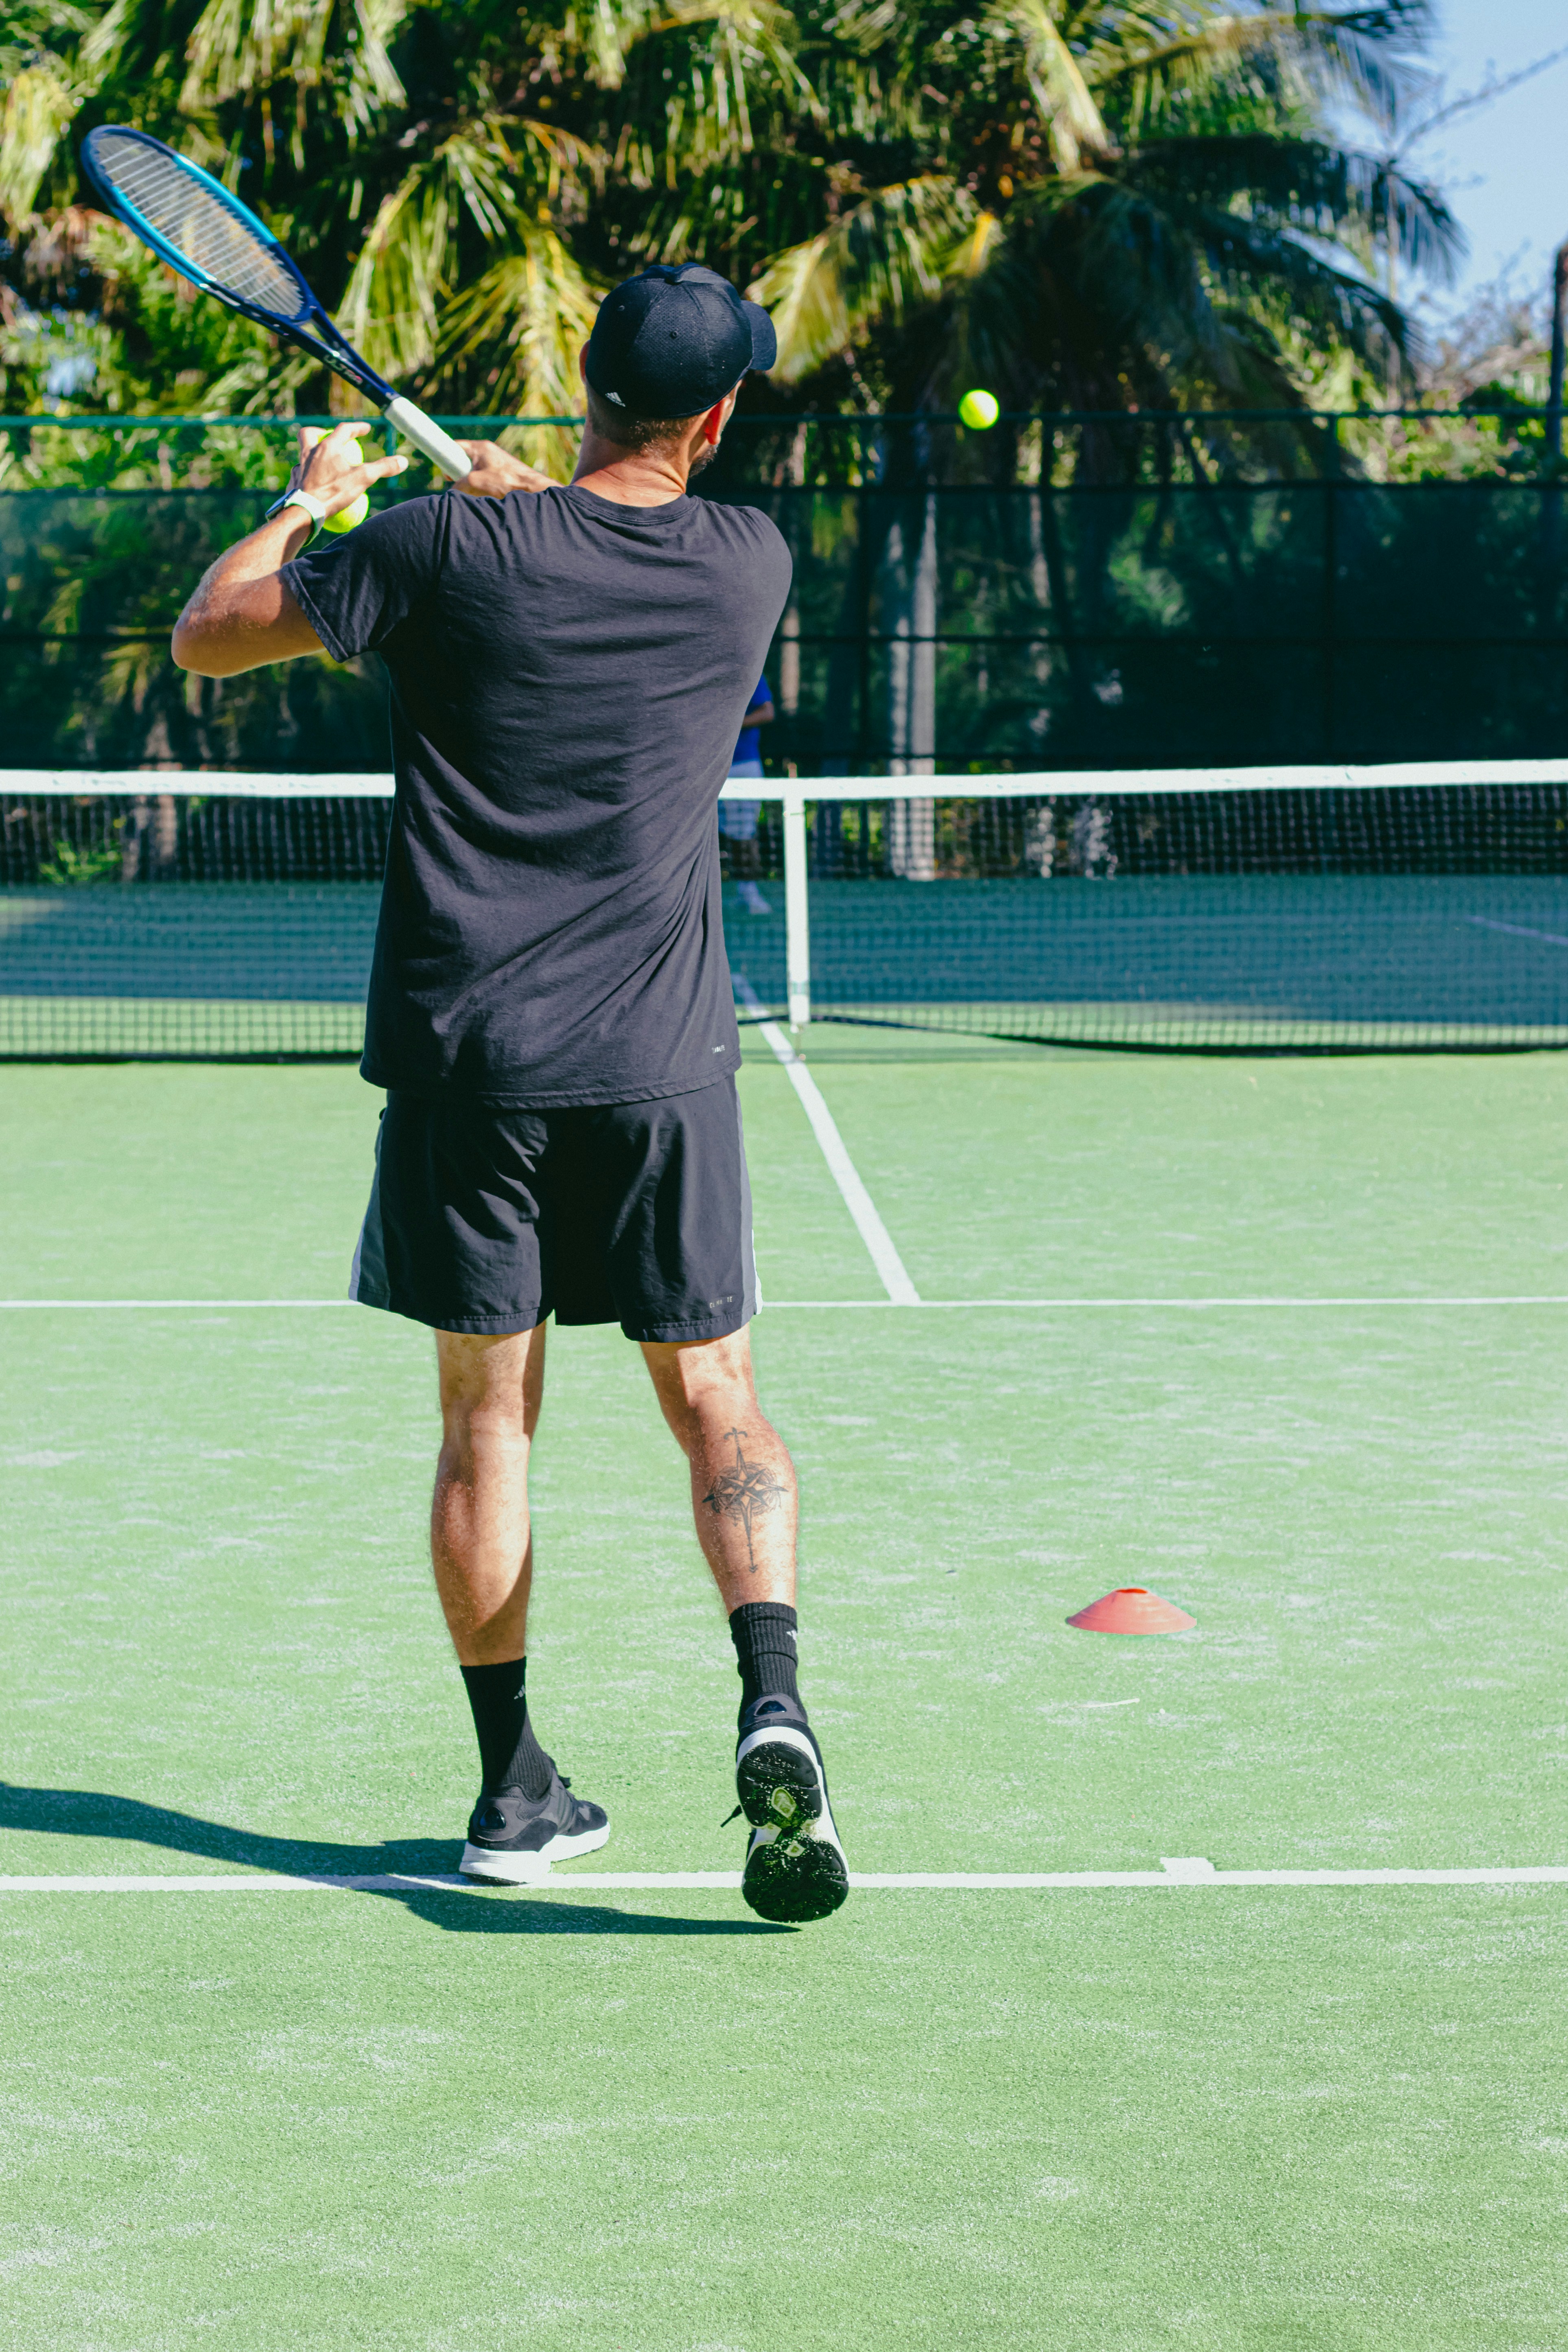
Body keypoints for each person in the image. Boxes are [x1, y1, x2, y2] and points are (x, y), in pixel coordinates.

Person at [169, 263, 849, 1926]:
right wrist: (521, 509)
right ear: (719, 413)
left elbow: (210, 637)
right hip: (665, 1067)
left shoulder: (438, 553)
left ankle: (511, 1784)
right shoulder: (748, 564)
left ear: (588, 383)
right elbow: (601, 545)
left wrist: (318, 504)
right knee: (722, 1400)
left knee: (489, 1423)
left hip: (473, 1070)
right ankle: (773, 1690)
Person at [721, 675, 774, 914]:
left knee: (744, 834)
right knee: (715, 836)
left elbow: (767, 712)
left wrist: (730, 725)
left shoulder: (749, 671)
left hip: (742, 767)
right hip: (707, 767)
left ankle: (750, 893)